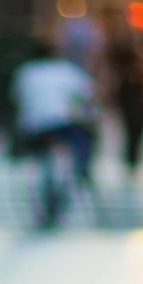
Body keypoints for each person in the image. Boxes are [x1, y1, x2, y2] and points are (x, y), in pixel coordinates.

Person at [10, 41, 96, 228]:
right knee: (82, 140)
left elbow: (16, 98)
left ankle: (48, 195)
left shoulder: (26, 72)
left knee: (41, 160)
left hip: (34, 126)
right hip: (62, 123)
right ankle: (82, 168)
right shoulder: (67, 71)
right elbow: (87, 94)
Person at [101, 11, 143, 179]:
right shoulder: (118, 47)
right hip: (125, 91)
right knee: (129, 123)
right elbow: (109, 67)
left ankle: (133, 157)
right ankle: (129, 158)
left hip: (139, 91)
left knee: (139, 124)